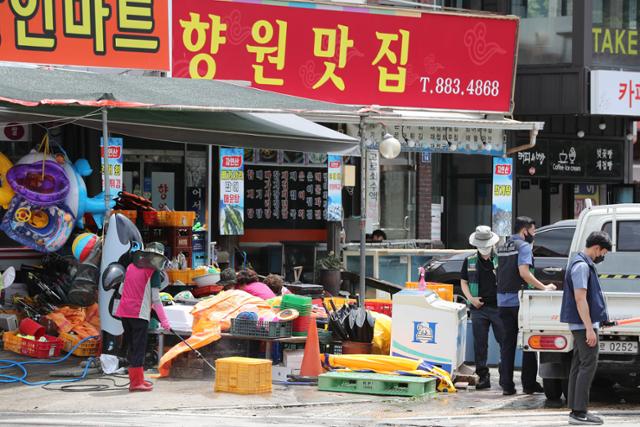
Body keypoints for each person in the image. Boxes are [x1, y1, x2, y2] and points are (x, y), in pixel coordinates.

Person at [496, 216, 556, 395]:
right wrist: (544, 287)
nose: (534, 234)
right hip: (519, 301)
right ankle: (529, 384)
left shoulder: (502, 246)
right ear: (525, 230)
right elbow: (524, 273)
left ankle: (507, 385)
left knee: (507, 343)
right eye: (533, 230)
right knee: (529, 342)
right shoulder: (523, 247)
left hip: (502, 301)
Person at [561, 231, 611, 425]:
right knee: (588, 366)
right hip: (583, 325)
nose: (603, 257)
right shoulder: (581, 266)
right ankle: (580, 412)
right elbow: (580, 299)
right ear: (596, 248)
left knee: (578, 365)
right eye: (603, 252)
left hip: (581, 324)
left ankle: (576, 409)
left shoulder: (580, 263)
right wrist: (590, 329)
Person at [116, 242, 171, 392]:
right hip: (138, 313)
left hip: (124, 312)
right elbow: (156, 299)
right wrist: (165, 322)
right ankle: (136, 383)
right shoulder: (153, 272)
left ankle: (138, 380)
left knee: (133, 347)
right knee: (139, 347)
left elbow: (121, 290)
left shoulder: (130, 267)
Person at [460, 225, 504, 390]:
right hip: (479, 308)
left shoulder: (500, 259)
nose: (484, 250)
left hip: (499, 307)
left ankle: (504, 375)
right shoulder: (470, 260)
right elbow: (463, 281)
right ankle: (483, 376)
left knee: (504, 340)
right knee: (480, 343)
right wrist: (471, 299)